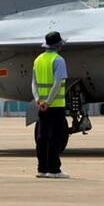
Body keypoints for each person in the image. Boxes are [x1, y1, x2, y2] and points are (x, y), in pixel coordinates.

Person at [31, 31, 70, 179]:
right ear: (59, 45)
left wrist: (38, 100)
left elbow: (33, 83)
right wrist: (48, 101)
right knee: (55, 138)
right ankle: (54, 170)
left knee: (42, 137)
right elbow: (58, 83)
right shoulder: (58, 60)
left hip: (41, 105)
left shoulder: (38, 60)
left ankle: (42, 168)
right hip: (56, 105)